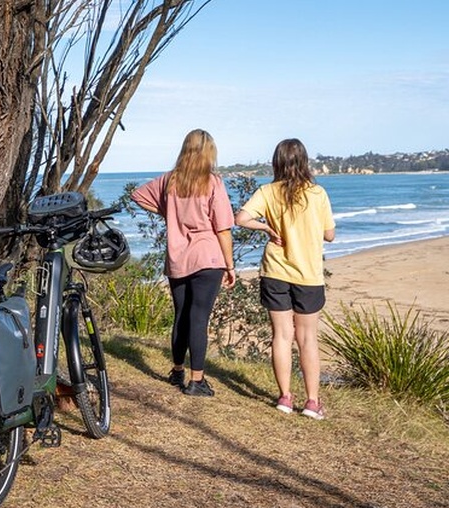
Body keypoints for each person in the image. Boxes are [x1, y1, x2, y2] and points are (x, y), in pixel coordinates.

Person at [234, 138, 335, 419]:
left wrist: (266, 227)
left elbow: (240, 218)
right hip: (308, 275)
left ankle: (285, 398)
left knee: (281, 336)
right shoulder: (318, 194)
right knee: (307, 338)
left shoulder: (267, 191)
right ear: (304, 161)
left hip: (276, 272)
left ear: (277, 162)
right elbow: (329, 234)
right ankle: (312, 402)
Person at [131, 129, 236, 397]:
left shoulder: (170, 181)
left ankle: (177, 371)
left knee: (181, 316)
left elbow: (138, 195)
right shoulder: (213, 182)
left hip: (177, 257)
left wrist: (169, 212)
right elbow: (223, 228)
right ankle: (196, 381)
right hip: (207, 257)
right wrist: (230, 265)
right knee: (198, 318)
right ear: (209, 152)